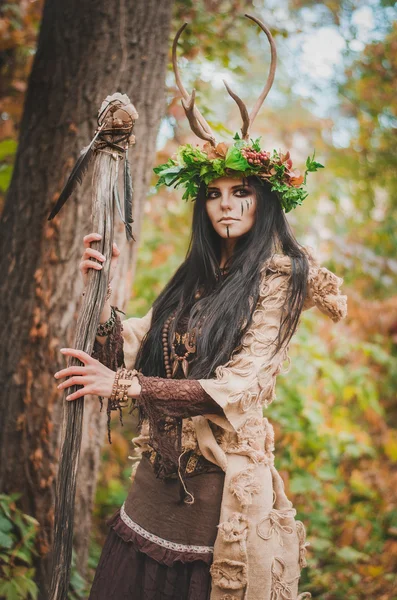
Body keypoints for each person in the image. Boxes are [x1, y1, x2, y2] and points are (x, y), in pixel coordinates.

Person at [53, 15, 348, 600]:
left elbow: (234, 388)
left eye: (242, 191)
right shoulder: (197, 278)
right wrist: (104, 291)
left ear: (266, 200)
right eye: (213, 194)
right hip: (151, 496)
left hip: (220, 506)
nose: (226, 205)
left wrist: (127, 387)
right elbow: (130, 344)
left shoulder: (281, 280)